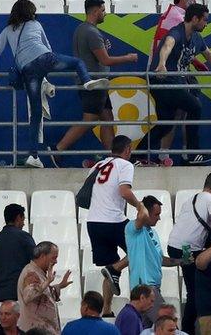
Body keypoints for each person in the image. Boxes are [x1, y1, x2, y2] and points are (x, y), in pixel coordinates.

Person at [0, 0, 111, 167]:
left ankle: (34, 157)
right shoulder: (35, 24)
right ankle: (87, 82)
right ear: (31, 12)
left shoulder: (7, 30)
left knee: (36, 114)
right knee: (77, 63)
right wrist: (49, 67)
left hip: (28, 70)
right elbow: (48, 46)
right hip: (45, 59)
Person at [54, 0, 138, 156]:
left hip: (94, 83)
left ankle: (112, 158)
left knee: (107, 120)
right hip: (94, 83)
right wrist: (128, 58)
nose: (105, 14)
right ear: (95, 11)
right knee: (90, 119)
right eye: (103, 10)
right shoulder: (91, 32)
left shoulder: (81, 29)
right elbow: (105, 59)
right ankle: (58, 150)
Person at [146, 3, 211, 164]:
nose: (206, 23)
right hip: (163, 81)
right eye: (204, 20)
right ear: (195, 18)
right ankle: (192, 153)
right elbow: (167, 44)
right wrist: (162, 63)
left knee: (165, 124)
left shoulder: (196, 38)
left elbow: (208, 54)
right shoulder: (177, 32)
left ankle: (136, 155)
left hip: (174, 83)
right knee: (194, 106)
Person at [168, 171, 211, 333]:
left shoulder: (192, 199)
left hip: (175, 246)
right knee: (194, 292)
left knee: (194, 287)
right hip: (188, 248)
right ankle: (189, 329)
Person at [86, 135, 140, 315]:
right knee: (140, 247)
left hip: (93, 222)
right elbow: (124, 191)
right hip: (113, 220)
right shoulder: (125, 165)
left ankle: (107, 310)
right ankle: (115, 269)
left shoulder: (97, 166)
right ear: (128, 150)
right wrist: (140, 207)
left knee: (109, 268)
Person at [125, 196, 185, 324]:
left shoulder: (154, 233)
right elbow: (141, 217)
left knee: (149, 330)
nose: (159, 218)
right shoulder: (132, 228)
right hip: (144, 288)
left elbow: (160, 259)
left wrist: (181, 261)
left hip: (155, 288)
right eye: (156, 214)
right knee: (167, 325)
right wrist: (140, 205)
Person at [17, 242, 71, 333]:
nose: (56, 261)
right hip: (36, 330)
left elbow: (44, 295)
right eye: (54, 258)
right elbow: (29, 295)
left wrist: (60, 286)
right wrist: (47, 281)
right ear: (42, 256)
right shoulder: (30, 273)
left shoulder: (39, 273)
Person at [0, 204, 36, 303]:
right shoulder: (24, 237)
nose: (23, 224)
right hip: (20, 296)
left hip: (0, 297)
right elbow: (36, 263)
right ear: (18, 217)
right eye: (23, 220)